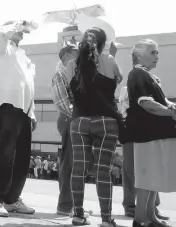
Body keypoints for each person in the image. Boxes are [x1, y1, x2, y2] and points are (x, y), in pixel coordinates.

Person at [66, 27, 122, 227]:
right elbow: (118, 78)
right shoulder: (109, 61)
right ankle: (106, 219)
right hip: (106, 122)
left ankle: (78, 214)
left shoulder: (72, 65)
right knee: (103, 170)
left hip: (79, 121)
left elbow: (71, 92)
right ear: (103, 43)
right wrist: (110, 56)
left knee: (78, 169)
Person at [0, 21, 38, 217]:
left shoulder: (23, 55)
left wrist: (32, 112)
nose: (23, 32)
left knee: (22, 159)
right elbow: (0, 33)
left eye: (23, 30)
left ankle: (12, 199)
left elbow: (29, 84)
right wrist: (16, 23)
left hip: (25, 110)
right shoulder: (2, 47)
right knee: (4, 156)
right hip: (8, 107)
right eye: (19, 29)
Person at [125, 39, 175, 227]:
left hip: (154, 134)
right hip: (147, 135)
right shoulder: (138, 74)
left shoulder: (145, 75)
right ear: (139, 55)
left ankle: (149, 217)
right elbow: (146, 103)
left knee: (153, 178)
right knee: (147, 178)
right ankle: (141, 219)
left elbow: (158, 103)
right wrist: (171, 112)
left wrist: (170, 107)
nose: (157, 56)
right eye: (153, 52)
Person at [52, 43, 97, 216]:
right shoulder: (61, 73)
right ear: (68, 53)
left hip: (79, 118)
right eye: (77, 52)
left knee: (80, 164)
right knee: (70, 163)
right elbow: (62, 102)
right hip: (70, 118)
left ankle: (75, 205)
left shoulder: (77, 72)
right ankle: (65, 206)